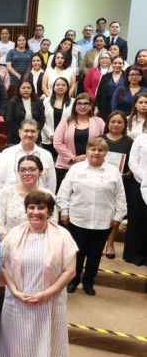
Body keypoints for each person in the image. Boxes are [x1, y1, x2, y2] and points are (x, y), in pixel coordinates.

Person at [0, 190, 77, 357]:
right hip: (18, 302)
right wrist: (15, 291)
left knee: (42, 350)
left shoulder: (62, 236)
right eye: (32, 208)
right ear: (26, 210)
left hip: (48, 303)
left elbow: (70, 271)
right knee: (16, 349)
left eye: (41, 208)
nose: (36, 212)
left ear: (49, 212)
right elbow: (2, 265)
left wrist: (46, 294)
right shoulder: (14, 234)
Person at [57, 138, 126, 295]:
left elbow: (120, 196)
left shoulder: (113, 171)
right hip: (77, 220)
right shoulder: (76, 169)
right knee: (77, 254)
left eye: (100, 150)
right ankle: (74, 280)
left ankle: (89, 282)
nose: (96, 153)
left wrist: (119, 215)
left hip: (103, 221)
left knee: (94, 256)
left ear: (106, 153)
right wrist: (64, 211)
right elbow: (63, 193)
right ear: (87, 151)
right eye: (93, 149)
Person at [0, 155, 55, 240]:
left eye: (32, 169)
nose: (27, 173)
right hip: (9, 245)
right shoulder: (7, 192)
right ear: (18, 172)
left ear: (40, 171)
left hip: (40, 246)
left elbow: (52, 226)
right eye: (22, 170)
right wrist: (12, 246)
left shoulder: (47, 195)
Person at [52, 94, 106, 187]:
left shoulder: (99, 122)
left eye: (86, 104)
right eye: (79, 103)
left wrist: (86, 156)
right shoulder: (65, 121)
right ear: (74, 106)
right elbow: (57, 143)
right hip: (65, 166)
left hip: (91, 165)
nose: (82, 106)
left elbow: (104, 143)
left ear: (90, 106)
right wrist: (73, 158)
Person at [102, 111, 134, 259]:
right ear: (107, 123)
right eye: (112, 121)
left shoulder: (129, 142)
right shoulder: (99, 140)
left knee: (115, 214)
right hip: (99, 182)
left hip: (120, 183)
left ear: (124, 125)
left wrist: (129, 172)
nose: (115, 124)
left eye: (119, 122)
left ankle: (110, 244)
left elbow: (133, 162)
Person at [1, 119, 57, 193]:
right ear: (19, 132)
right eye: (26, 131)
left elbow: (51, 183)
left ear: (38, 133)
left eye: (33, 131)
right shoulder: (7, 153)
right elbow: (1, 180)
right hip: (13, 200)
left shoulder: (46, 155)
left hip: (40, 201)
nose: (29, 134)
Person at [126, 128, 147, 265]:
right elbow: (132, 161)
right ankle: (135, 254)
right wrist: (145, 176)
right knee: (137, 218)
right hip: (139, 182)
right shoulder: (141, 138)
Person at [41, 77, 74, 158]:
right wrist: (50, 134)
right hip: (48, 138)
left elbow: (73, 120)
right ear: (54, 87)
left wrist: (61, 136)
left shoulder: (73, 102)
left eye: (63, 85)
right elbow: (41, 120)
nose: (60, 87)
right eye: (58, 85)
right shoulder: (46, 101)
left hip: (65, 139)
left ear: (67, 88)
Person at [5, 81, 44, 145]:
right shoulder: (13, 102)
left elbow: (42, 119)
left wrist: (34, 131)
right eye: (23, 88)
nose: (26, 90)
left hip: (34, 137)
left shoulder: (38, 102)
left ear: (32, 90)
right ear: (19, 89)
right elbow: (9, 120)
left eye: (29, 88)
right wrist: (21, 133)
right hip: (15, 138)